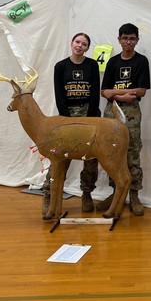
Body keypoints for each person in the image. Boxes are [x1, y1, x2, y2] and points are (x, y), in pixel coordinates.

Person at [98, 23, 150, 216]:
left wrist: (116, 92)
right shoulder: (112, 62)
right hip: (112, 112)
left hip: (132, 112)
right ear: (119, 39)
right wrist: (122, 95)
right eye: (125, 38)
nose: (128, 42)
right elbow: (105, 91)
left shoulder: (141, 61)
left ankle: (134, 195)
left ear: (137, 40)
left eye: (132, 38)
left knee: (132, 151)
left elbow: (141, 90)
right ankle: (115, 193)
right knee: (112, 154)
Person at [48, 32, 101, 214]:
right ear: (71, 43)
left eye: (84, 44)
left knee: (91, 158)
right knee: (61, 157)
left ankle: (86, 193)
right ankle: (50, 195)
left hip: (89, 116)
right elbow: (59, 95)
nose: (80, 45)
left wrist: (90, 119)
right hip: (68, 116)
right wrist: (66, 120)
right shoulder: (60, 66)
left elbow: (95, 93)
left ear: (87, 48)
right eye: (77, 42)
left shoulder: (92, 65)